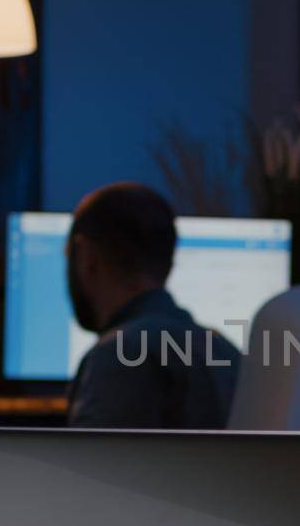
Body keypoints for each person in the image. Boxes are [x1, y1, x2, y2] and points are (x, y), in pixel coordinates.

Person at [64, 182, 240, 428]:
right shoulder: (225, 352)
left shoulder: (119, 355)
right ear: (168, 264)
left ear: (87, 257)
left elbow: (87, 466)